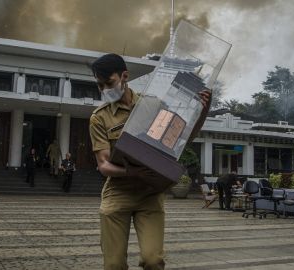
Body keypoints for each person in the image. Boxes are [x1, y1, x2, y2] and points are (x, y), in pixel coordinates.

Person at [89, 53, 211, 270]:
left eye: (109, 83)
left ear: (124, 76)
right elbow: (104, 165)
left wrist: (202, 112)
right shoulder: (99, 117)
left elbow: (181, 139)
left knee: (153, 261)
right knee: (114, 265)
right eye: (100, 85)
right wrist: (135, 173)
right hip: (118, 193)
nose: (104, 90)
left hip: (150, 195)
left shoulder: (153, 105)